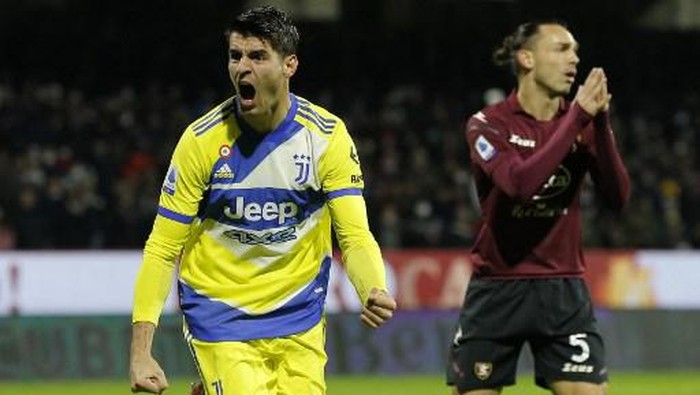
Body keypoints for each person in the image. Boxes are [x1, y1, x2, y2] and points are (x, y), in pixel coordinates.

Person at [129, 6, 397, 395]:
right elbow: (161, 249)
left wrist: (373, 286)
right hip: (221, 314)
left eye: (257, 56)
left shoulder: (326, 138)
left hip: (299, 316)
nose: (242, 67)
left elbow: (354, 235)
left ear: (290, 65)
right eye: (235, 56)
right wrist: (140, 351)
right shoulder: (201, 142)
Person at [446, 21, 630, 395]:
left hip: (562, 287)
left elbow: (618, 199)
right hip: (497, 287)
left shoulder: (580, 122)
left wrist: (600, 123)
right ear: (526, 58)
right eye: (561, 49)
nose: (574, 59)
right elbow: (519, 185)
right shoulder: (487, 124)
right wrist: (578, 118)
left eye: (575, 51)